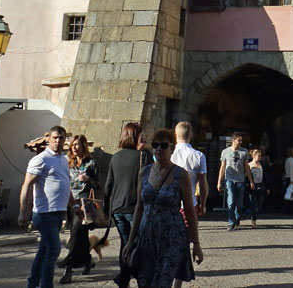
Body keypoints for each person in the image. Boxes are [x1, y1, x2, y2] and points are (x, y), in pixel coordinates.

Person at [123, 128, 203, 287]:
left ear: (172, 148)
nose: (159, 149)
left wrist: (196, 244)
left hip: (171, 238)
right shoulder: (143, 173)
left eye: (164, 145)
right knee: (144, 281)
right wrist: (131, 241)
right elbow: (139, 208)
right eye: (155, 145)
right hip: (147, 237)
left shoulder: (181, 175)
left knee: (162, 282)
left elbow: (189, 210)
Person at [19, 125, 73, 288]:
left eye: (61, 138)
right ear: (49, 138)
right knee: (54, 249)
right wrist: (23, 212)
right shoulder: (40, 159)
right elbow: (26, 185)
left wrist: (75, 205)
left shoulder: (63, 160)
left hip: (58, 213)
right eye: (55, 137)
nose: (58, 141)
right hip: (44, 213)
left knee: (44, 251)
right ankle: (46, 284)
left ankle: (33, 283)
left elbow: (66, 185)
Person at [104, 122, 152, 288]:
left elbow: (108, 187)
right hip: (135, 209)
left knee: (126, 244)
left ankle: (124, 278)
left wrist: (106, 210)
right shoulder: (143, 157)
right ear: (136, 136)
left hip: (117, 209)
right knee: (138, 245)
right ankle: (139, 278)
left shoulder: (115, 157)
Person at [56, 134, 99, 284]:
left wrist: (89, 180)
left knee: (75, 233)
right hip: (70, 202)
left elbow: (98, 185)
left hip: (84, 204)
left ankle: (68, 269)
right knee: (80, 236)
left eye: (77, 145)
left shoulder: (91, 163)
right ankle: (87, 260)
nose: (74, 148)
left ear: (83, 146)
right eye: (73, 145)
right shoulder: (68, 163)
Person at [170, 122, 207, 222]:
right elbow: (203, 185)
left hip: (170, 203)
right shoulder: (199, 156)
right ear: (191, 135)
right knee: (189, 235)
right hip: (190, 203)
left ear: (175, 134)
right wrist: (202, 204)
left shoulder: (169, 154)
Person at [217, 132, 248, 231]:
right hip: (229, 179)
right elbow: (222, 167)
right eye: (239, 140)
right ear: (233, 140)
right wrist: (219, 181)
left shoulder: (244, 152)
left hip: (240, 180)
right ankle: (231, 222)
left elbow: (246, 167)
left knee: (239, 203)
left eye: (241, 140)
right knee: (231, 201)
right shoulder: (225, 152)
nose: (240, 142)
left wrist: (250, 181)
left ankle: (237, 216)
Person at [247, 148, 269, 226]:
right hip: (252, 186)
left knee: (259, 204)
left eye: (260, 155)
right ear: (254, 156)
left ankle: (256, 213)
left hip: (260, 185)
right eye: (258, 155)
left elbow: (266, 177)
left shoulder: (262, 165)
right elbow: (246, 176)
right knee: (253, 203)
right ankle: (253, 219)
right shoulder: (249, 165)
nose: (259, 157)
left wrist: (267, 187)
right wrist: (250, 183)